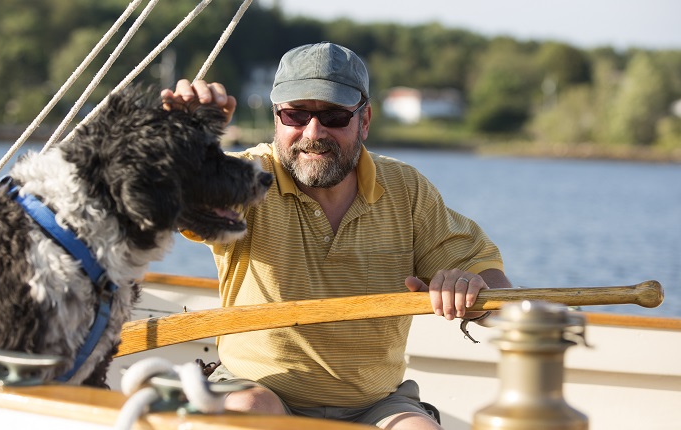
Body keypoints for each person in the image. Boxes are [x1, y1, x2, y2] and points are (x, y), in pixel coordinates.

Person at [162, 42, 513, 430]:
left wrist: (474, 293)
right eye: (296, 115)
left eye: (333, 116)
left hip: (375, 404)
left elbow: (497, 293)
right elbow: (185, 203)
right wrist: (187, 143)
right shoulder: (248, 176)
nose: (314, 133)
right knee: (250, 411)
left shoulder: (408, 190)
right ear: (276, 118)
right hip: (256, 389)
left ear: (364, 121)